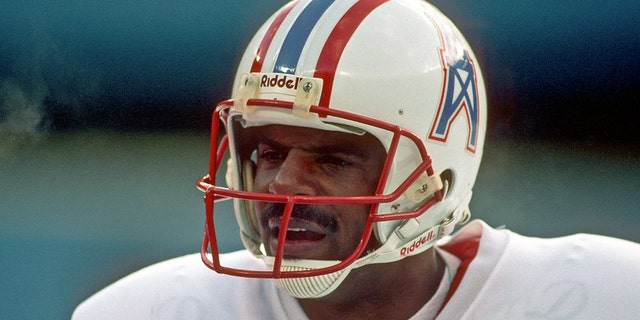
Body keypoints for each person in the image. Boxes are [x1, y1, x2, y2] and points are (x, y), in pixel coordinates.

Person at [73, 0, 640, 319]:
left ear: (435, 182)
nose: (282, 182)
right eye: (268, 150)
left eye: (333, 157)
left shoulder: (606, 296)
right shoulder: (147, 312)